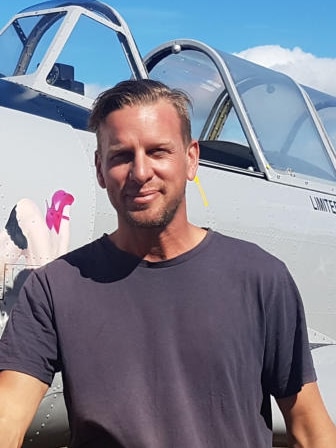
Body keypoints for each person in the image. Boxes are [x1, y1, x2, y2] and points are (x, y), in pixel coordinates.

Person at [0, 79, 335, 448]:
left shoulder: (261, 278)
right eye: (121, 156)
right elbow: (8, 412)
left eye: (158, 151)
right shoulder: (54, 288)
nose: (140, 172)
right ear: (100, 168)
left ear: (191, 159)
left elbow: (310, 427)